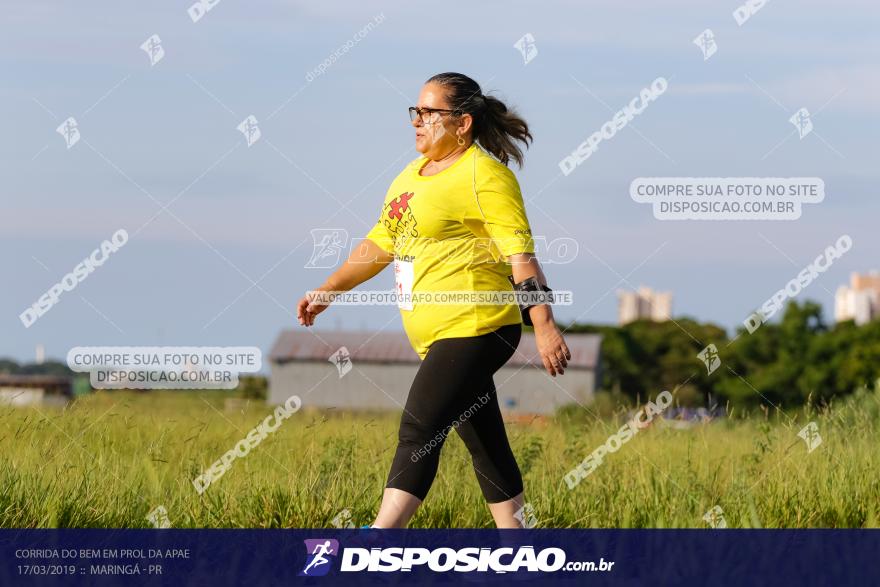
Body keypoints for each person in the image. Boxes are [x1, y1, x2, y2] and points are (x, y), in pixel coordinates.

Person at [296, 72, 570, 528]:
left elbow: (522, 260)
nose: (417, 122)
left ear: (462, 123)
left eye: (429, 113)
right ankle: (519, 547)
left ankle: (382, 540)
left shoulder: (486, 176)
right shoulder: (410, 175)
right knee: (486, 443)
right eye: (415, 112)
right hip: (437, 334)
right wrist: (328, 289)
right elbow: (380, 244)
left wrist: (543, 325)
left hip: (478, 326)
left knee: (419, 428)